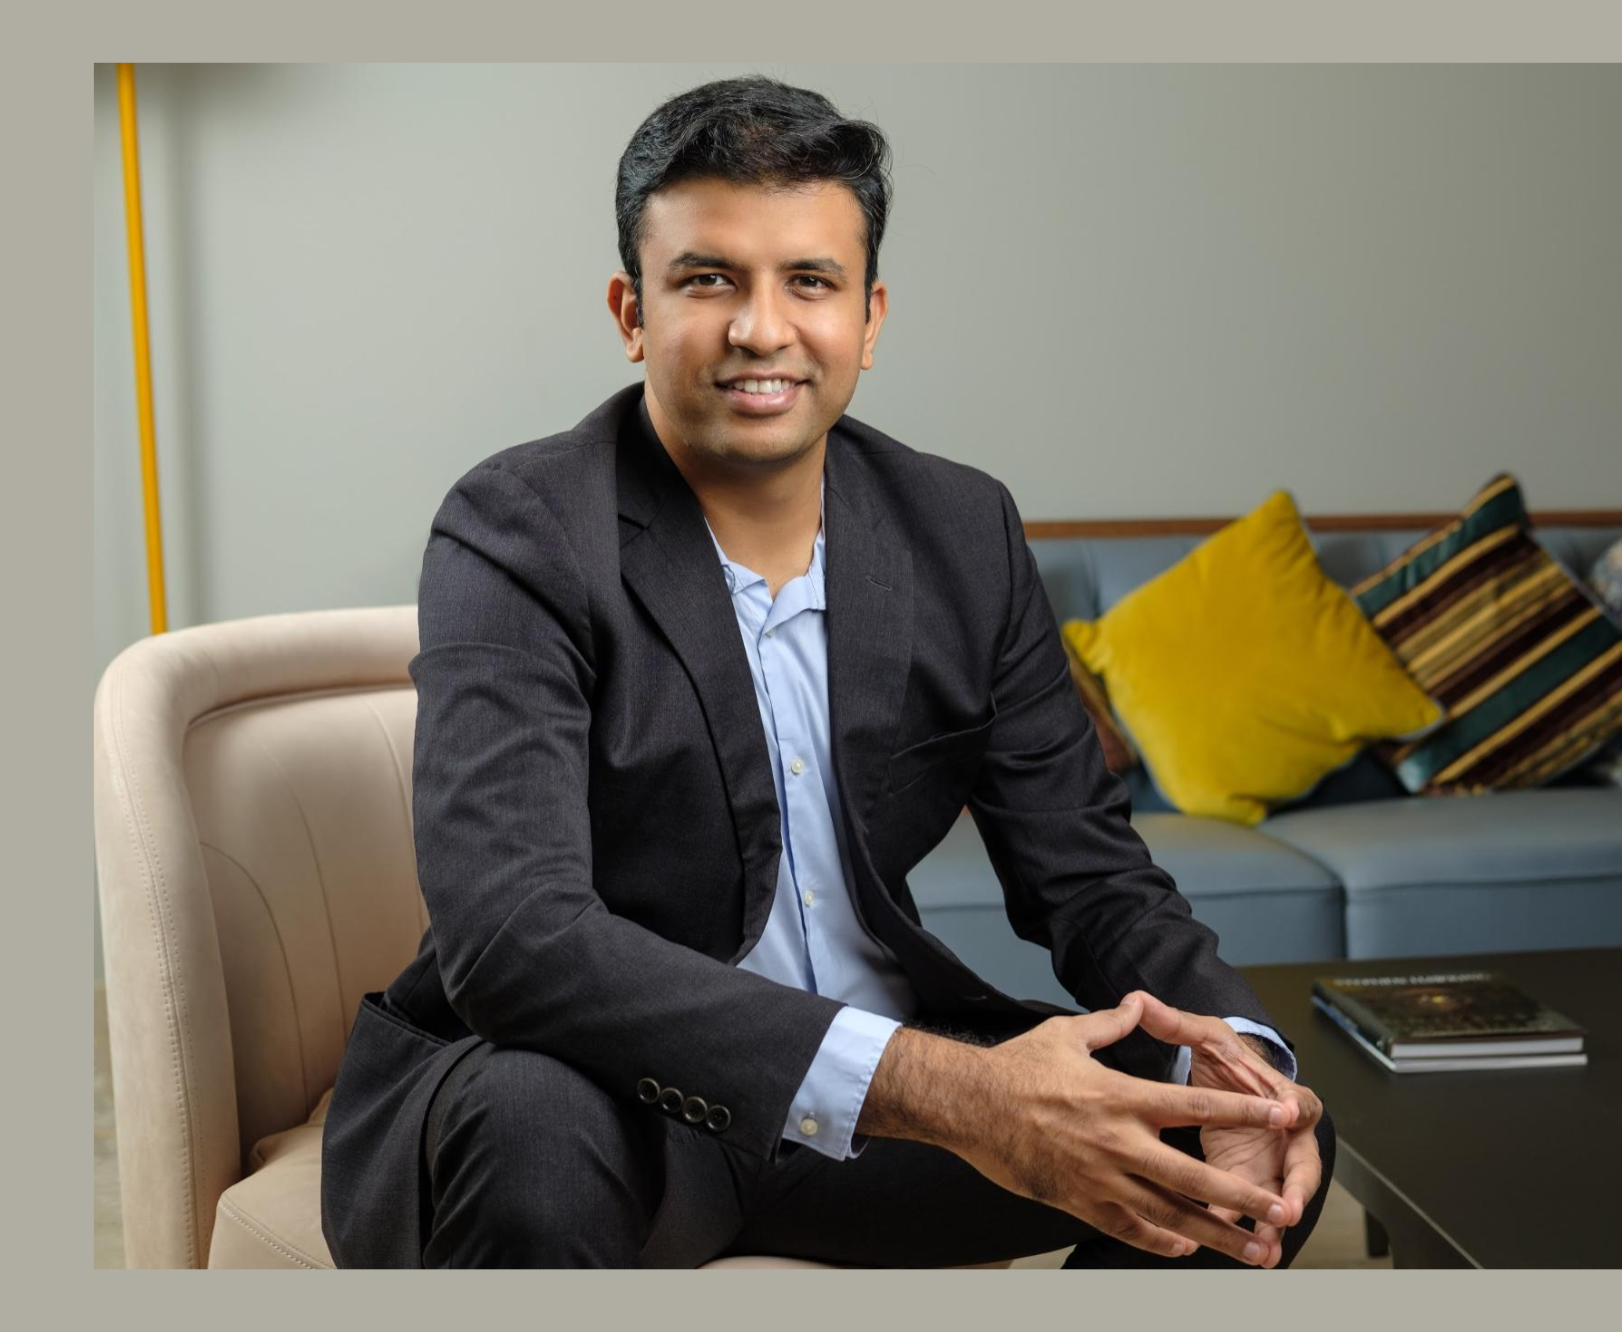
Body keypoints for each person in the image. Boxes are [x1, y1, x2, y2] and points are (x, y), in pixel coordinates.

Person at [318, 73, 1335, 1270]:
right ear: (631, 311)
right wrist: (952, 1091)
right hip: (622, 1100)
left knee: (1246, 1131)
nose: (762, 329)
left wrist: (1242, 1060)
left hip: (882, 1123)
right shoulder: (518, 528)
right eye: (708, 279)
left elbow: (1093, 881)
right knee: (529, 1123)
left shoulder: (960, 529)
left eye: (809, 281)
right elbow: (515, 938)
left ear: (869, 316)